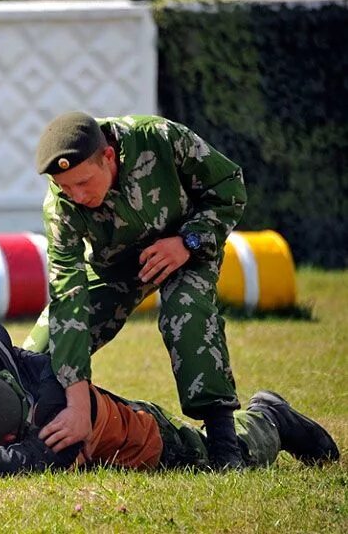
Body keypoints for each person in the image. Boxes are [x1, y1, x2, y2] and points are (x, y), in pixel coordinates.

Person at [0, 309, 338, 484]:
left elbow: (8, 462)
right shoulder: (8, 373)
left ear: (14, 430)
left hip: (160, 444)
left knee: (239, 450)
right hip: (114, 412)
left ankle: (270, 411)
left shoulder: (52, 433)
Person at [26, 112, 249, 470]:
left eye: (83, 182)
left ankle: (225, 445)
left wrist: (188, 242)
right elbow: (67, 293)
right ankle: (38, 438)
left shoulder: (159, 138)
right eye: (65, 187)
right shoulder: (61, 206)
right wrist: (78, 402)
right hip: (113, 268)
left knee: (185, 313)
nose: (77, 196)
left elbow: (229, 188)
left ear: (109, 157)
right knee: (36, 355)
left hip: (183, 249)